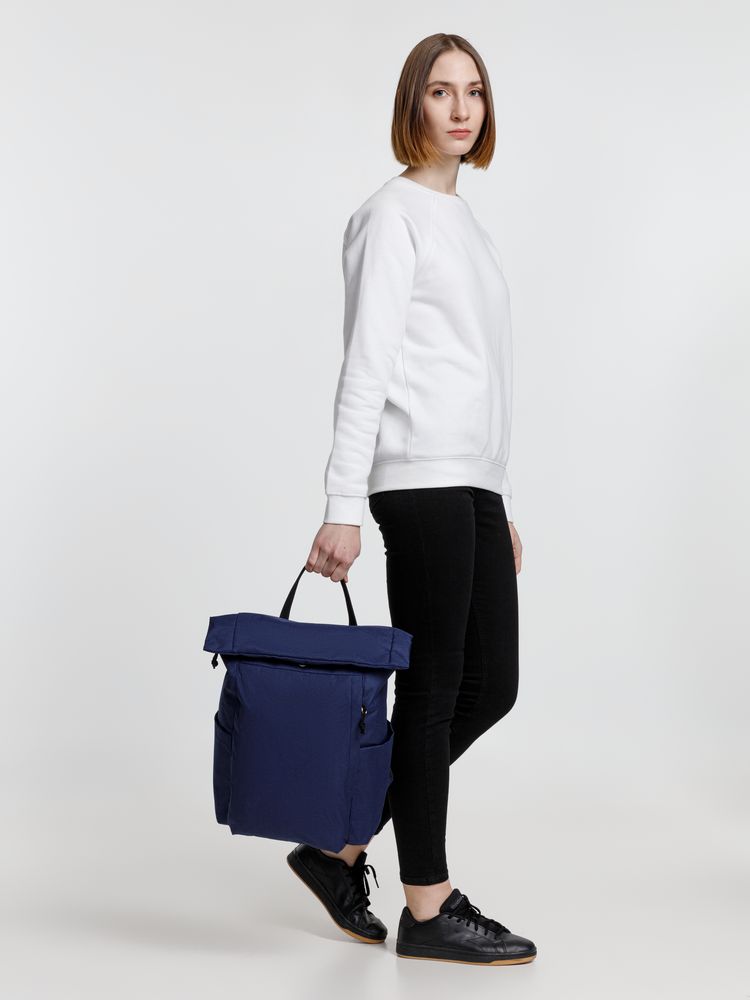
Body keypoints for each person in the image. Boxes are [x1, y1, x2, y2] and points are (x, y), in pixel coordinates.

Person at [287, 32, 537, 966]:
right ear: (413, 105)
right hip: (416, 481)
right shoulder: (389, 216)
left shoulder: (464, 222)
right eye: (441, 91)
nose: (461, 108)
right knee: (432, 691)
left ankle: (338, 847)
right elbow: (368, 366)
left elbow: (475, 373)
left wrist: (496, 495)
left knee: (491, 685)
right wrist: (342, 501)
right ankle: (427, 907)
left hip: (467, 481)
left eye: (474, 91)